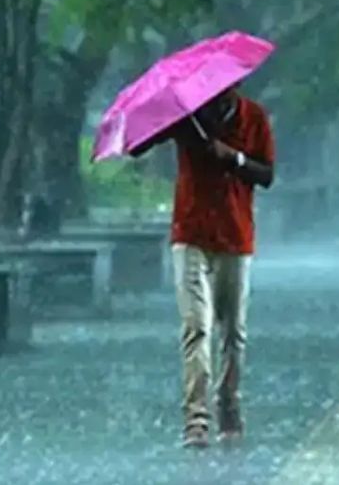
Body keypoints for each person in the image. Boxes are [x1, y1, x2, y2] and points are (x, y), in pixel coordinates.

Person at [130, 83, 275, 449]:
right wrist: (160, 120)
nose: (218, 94)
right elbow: (138, 147)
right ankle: (196, 419)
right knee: (196, 326)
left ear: (237, 86)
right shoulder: (188, 117)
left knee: (233, 331)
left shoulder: (253, 117)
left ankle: (228, 403)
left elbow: (267, 175)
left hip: (236, 236)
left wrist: (234, 158)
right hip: (191, 233)